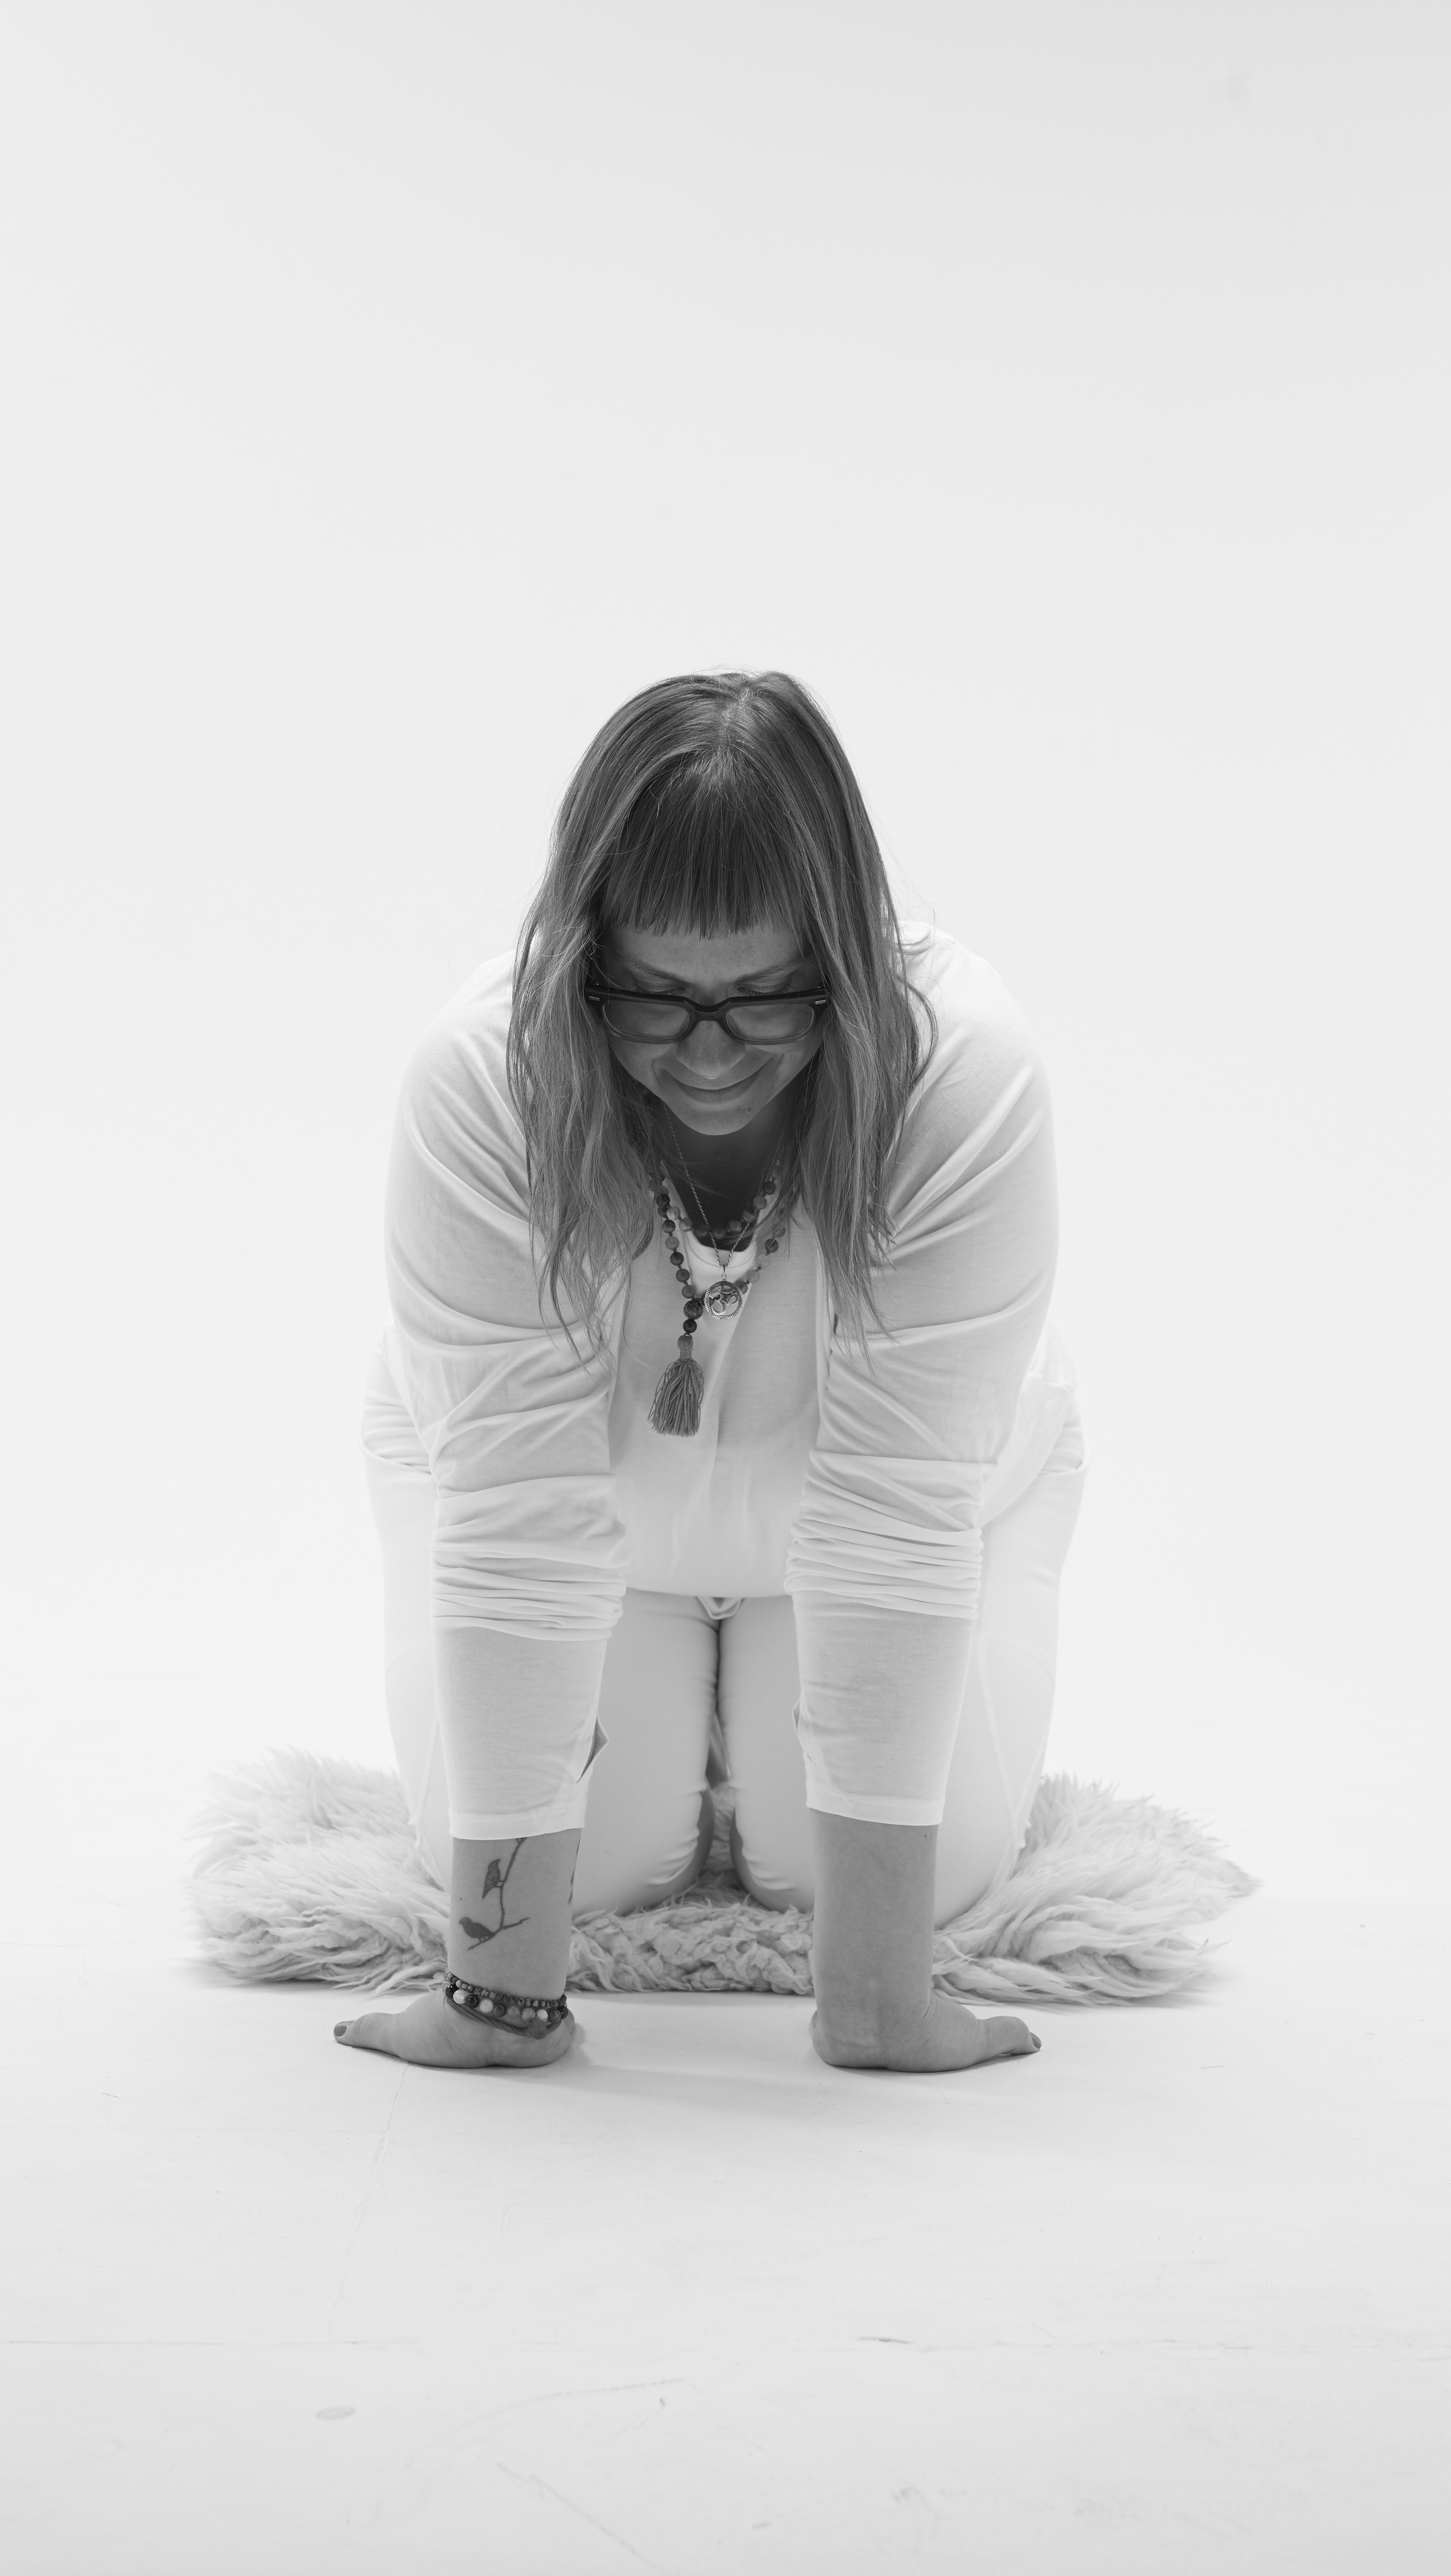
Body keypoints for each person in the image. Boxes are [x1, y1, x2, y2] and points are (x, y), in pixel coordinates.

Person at [338, 671, 1087, 2077]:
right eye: (654, 997)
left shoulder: (963, 1069)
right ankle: (701, 1722)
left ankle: (758, 1739)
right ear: (580, 956)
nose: (707, 1052)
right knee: (591, 1872)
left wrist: (874, 2003)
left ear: (847, 954)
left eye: (764, 996)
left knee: (899, 1876)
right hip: (582, 1517)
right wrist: (498, 1999)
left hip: (917, 1496)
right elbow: (515, 1523)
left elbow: (889, 1514)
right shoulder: (478, 1077)